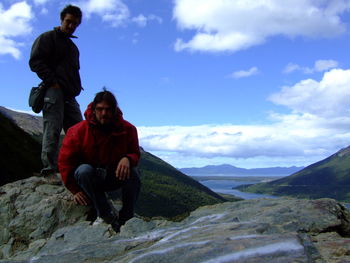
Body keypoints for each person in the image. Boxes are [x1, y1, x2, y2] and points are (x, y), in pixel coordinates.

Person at [58, 89, 141, 232]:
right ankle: (105, 214)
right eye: (100, 109)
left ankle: (126, 218)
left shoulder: (128, 129)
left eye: (108, 109)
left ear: (115, 110)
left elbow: (135, 153)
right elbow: (65, 162)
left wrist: (127, 158)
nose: (104, 113)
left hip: (112, 174)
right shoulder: (78, 131)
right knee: (84, 170)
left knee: (134, 175)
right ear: (94, 109)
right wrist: (75, 190)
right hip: (90, 178)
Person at [29, 5, 84, 180]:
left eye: (75, 23)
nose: (71, 26)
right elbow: (35, 61)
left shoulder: (73, 48)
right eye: (68, 21)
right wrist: (52, 82)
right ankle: (49, 170)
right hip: (53, 91)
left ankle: (77, 170)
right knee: (52, 129)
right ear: (61, 20)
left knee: (79, 131)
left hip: (70, 95)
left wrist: (75, 88)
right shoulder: (47, 38)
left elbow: (74, 72)